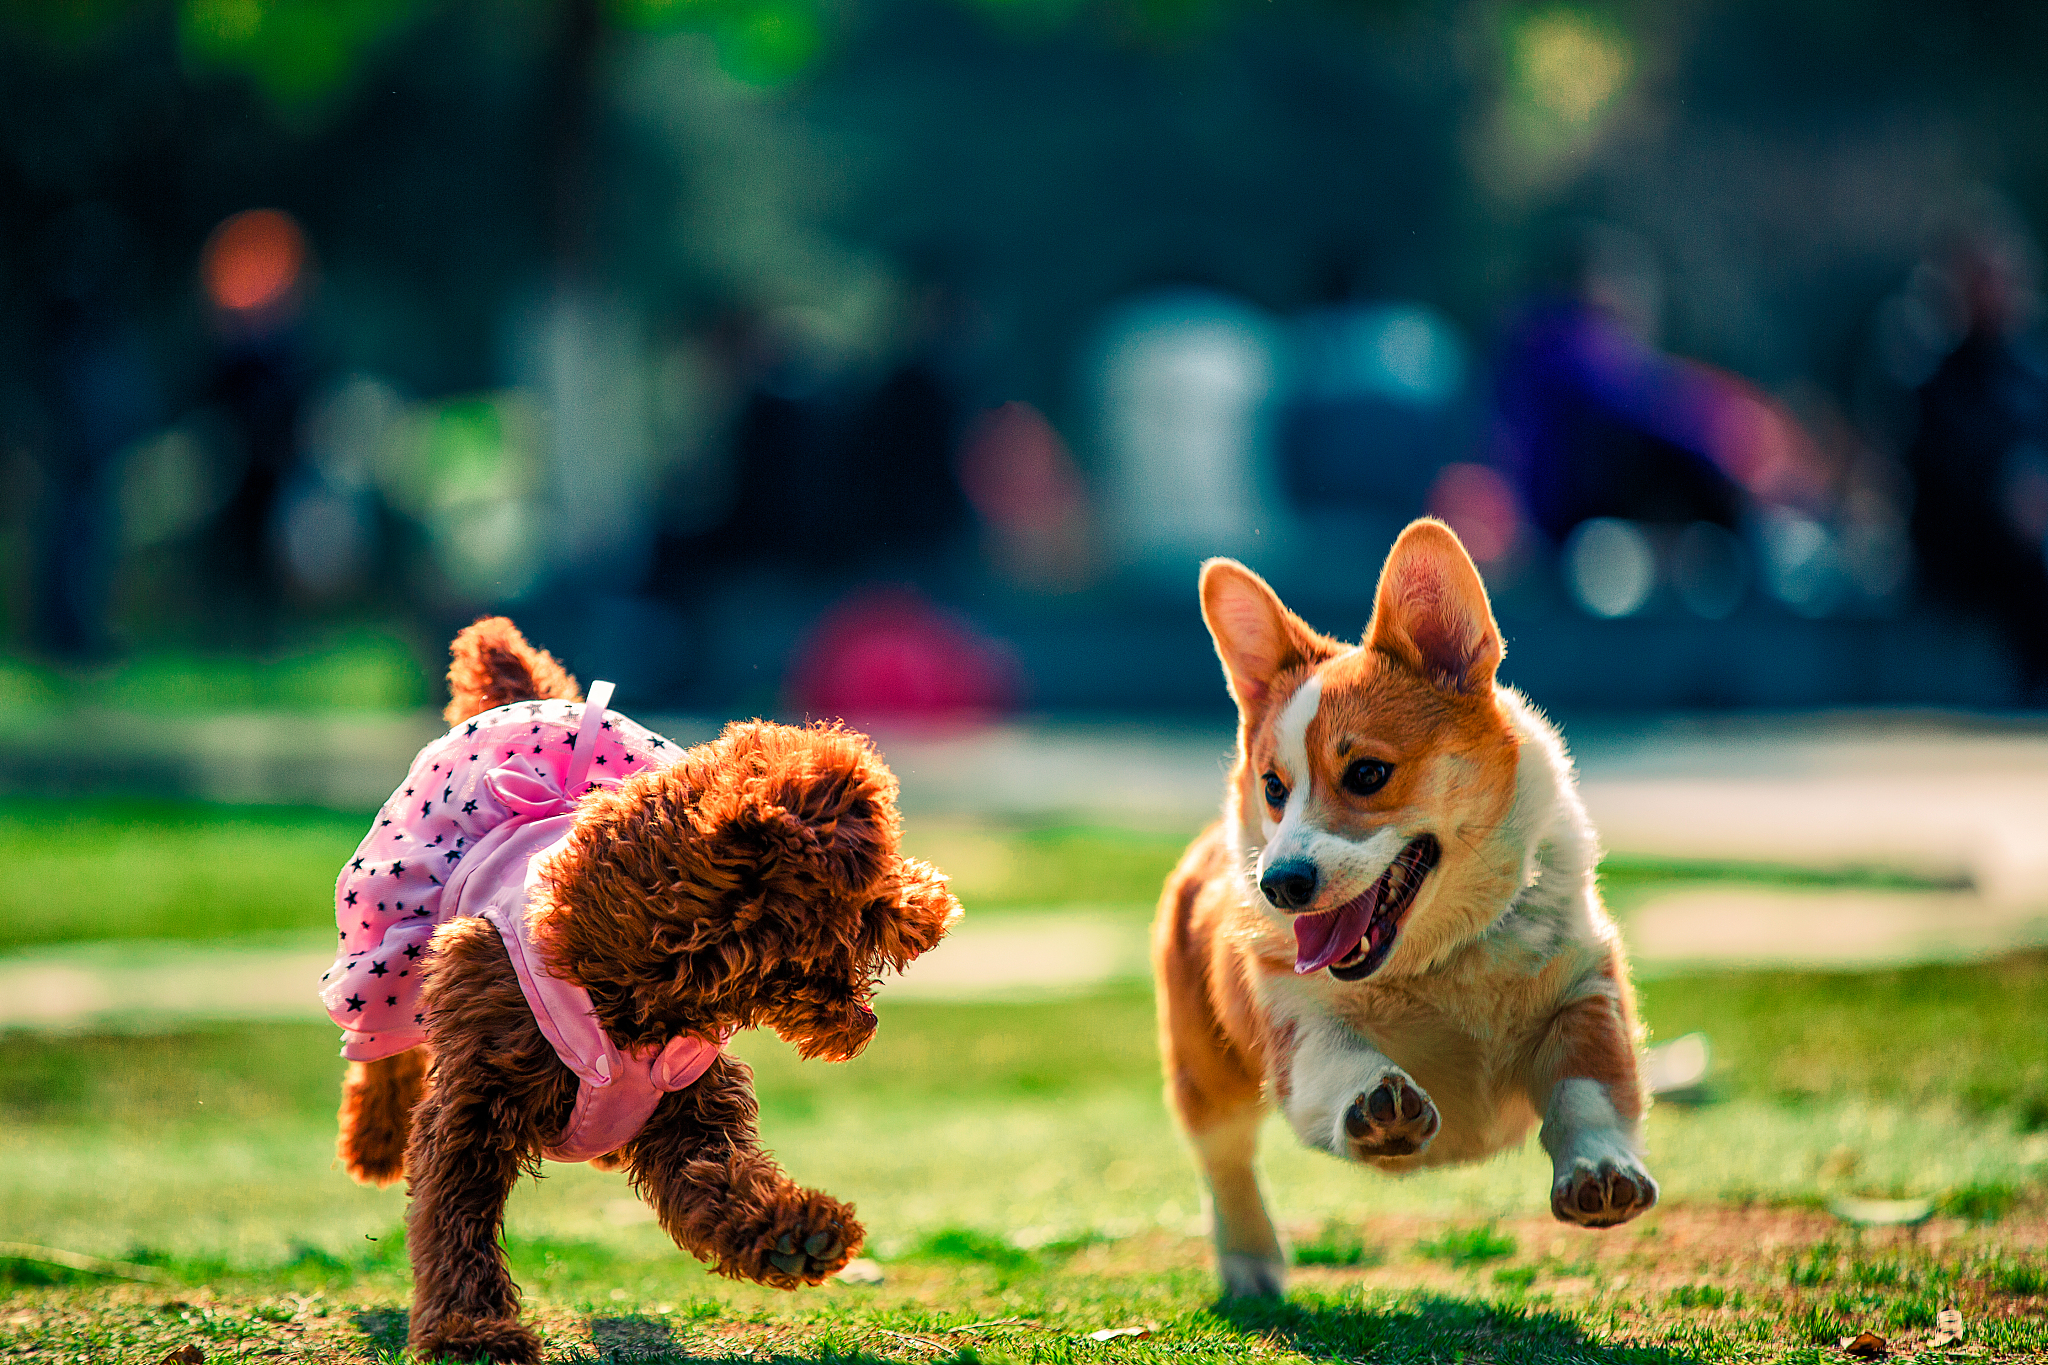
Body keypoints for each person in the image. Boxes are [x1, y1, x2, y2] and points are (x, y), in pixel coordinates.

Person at [1904, 221, 2048, 696]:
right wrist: (2004, 492)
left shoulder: (2030, 375)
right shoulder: (1933, 381)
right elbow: (1938, 476)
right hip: (1968, 552)